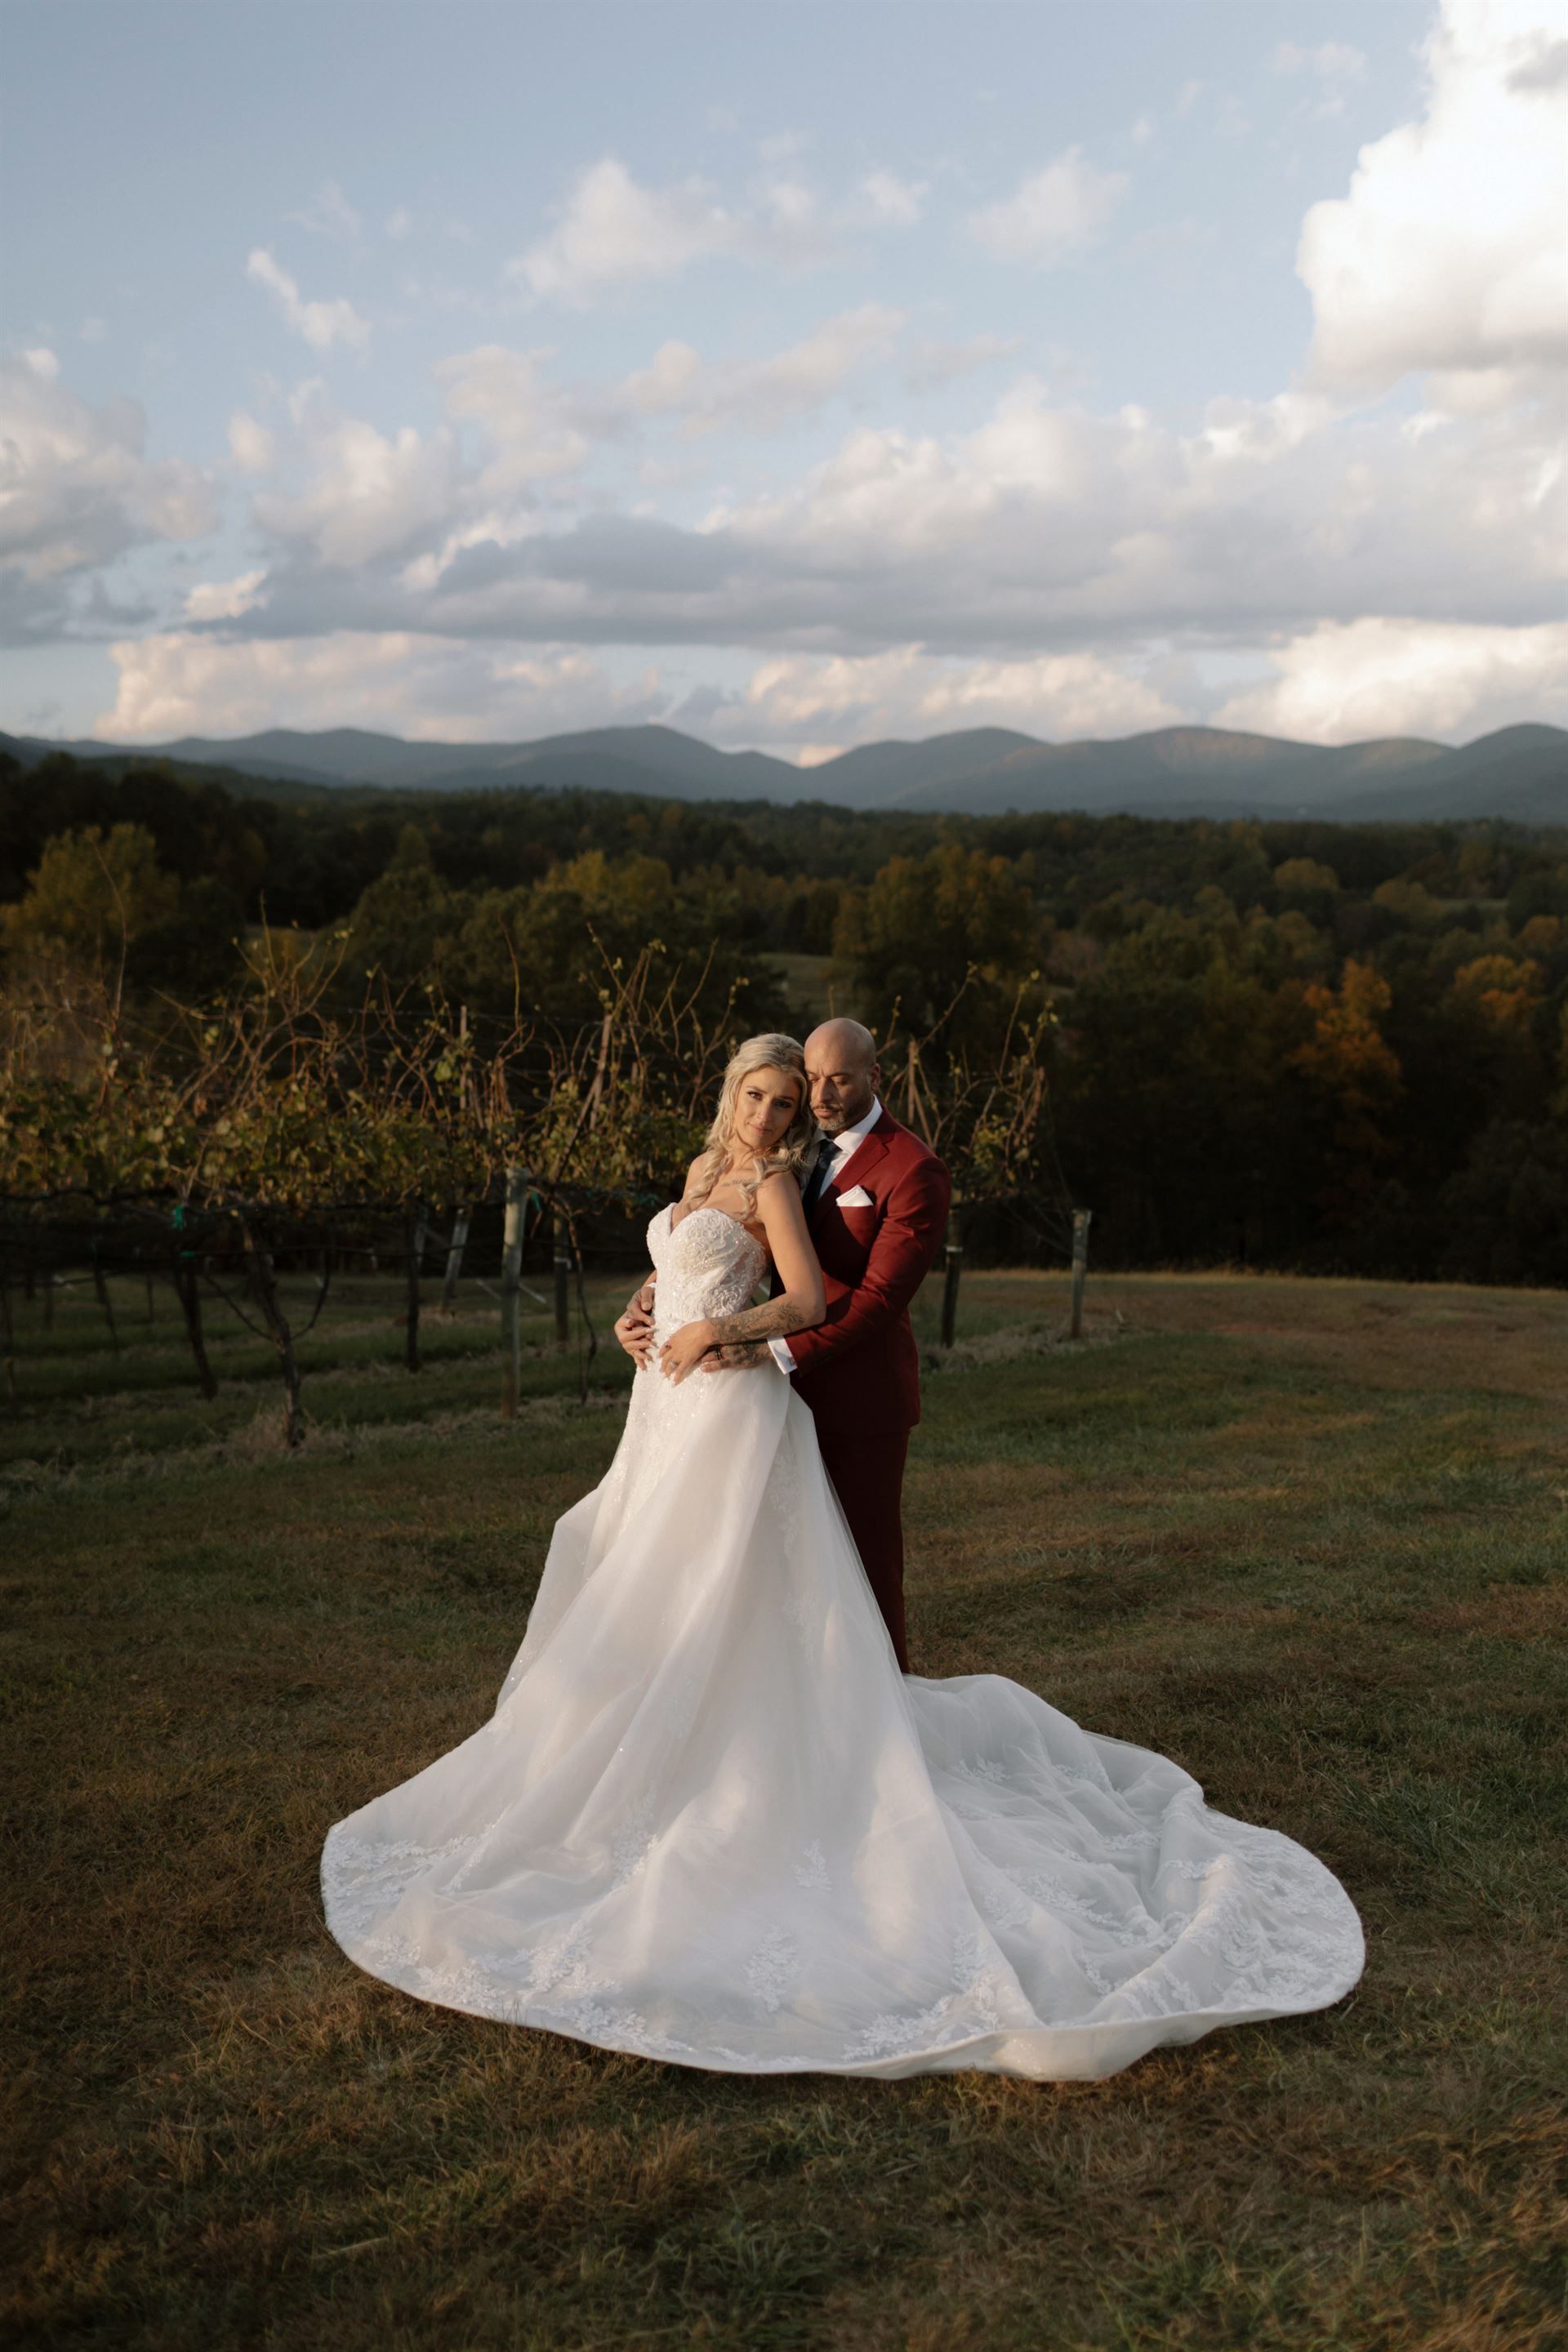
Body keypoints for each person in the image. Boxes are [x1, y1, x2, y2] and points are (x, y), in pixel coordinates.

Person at [323, 1032, 1363, 2081]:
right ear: (733, 1093)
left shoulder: (846, 1175)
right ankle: (652, 1730)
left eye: (801, 1096)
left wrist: (722, 1340)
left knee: (772, 1588)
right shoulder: (705, 1171)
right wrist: (641, 1313)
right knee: (649, 1572)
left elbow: (829, 1302)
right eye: (767, 1094)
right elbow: (678, 1262)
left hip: (743, 1400)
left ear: (865, 1082)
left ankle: (806, 1748)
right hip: (665, 1408)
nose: (783, 1112)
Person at [616, 1017, 947, 1671]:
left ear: (874, 1078)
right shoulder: (796, 1152)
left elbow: (878, 1299)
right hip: (743, 1391)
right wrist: (642, 1302)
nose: (821, 1095)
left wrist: (763, 1346)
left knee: (861, 1572)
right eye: (812, 1081)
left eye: (837, 1081)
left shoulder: (914, 1169)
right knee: (753, 1562)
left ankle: (883, 1725)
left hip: (856, 1395)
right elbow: (702, 1253)